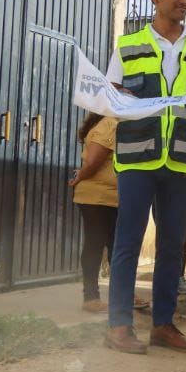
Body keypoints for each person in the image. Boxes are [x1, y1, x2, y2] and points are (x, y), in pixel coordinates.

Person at [104, 0, 186, 354]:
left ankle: (163, 324)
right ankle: (118, 326)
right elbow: (112, 97)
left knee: (173, 245)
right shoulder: (129, 45)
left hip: (183, 161)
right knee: (128, 243)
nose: (183, 0)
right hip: (137, 159)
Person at [69, 113, 119, 313]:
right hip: (99, 197)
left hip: (109, 197)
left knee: (113, 246)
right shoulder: (110, 124)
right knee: (97, 245)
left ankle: (120, 296)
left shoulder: (112, 122)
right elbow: (93, 162)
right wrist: (79, 176)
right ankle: (91, 298)